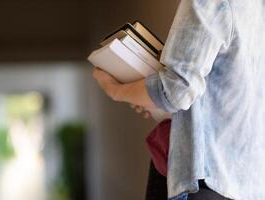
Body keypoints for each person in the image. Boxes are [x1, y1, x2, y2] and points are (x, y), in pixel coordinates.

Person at [93, 0, 265, 199]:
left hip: (206, 180)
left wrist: (116, 90)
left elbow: (177, 90)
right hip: (250, 185)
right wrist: (153, 98)